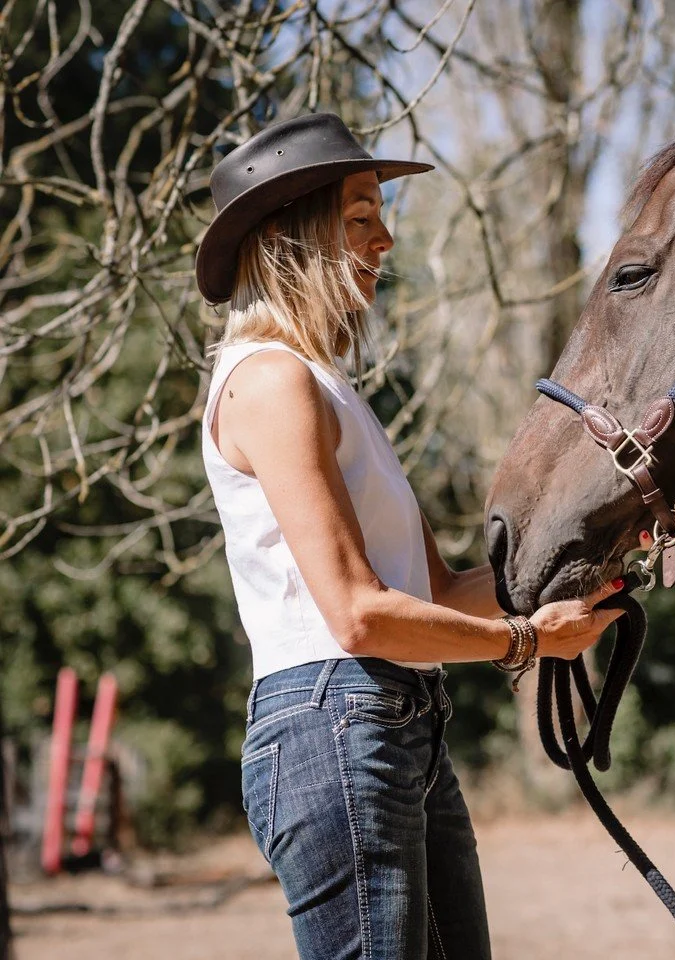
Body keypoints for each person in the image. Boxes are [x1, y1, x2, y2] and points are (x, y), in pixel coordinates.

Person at [195, 113, 624, 960]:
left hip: (396, 724)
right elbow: (359, 616)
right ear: (288, 237)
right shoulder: (271, 381)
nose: (385, 240)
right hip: (334, 723)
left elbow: (434, 591)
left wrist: (615, 550)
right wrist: (527, 642)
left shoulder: (330, 387)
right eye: (360, 216)